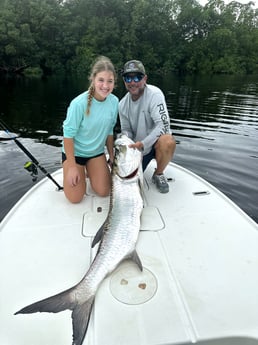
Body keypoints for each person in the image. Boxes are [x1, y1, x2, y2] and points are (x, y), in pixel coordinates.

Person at [62, 56, 118, 203]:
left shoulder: (114, 102)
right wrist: (72, 167)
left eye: (110, 81)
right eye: (101, 80)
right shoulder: (78, 104)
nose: (105, 86)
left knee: (104, 191)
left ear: (114, 83)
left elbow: (110, 132)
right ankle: (74, 169)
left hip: (96, 153)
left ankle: (91, 170)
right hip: (75, 154)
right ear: (93, 79)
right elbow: (67, 136)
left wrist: (111, 156)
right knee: (75, 199)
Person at [119, 59, 176, 193]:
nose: (132, 82)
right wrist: (125, 141)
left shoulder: (155, 94)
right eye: (128, 78)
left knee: (168, 141)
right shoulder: (122, 104)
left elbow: (164, 124)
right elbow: (126, 129)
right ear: (124, 81)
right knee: (123, 184)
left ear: (145, 78)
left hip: (154, 145)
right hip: (138, 150)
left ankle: (158, 173)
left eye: (137, 77)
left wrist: (144, 143)